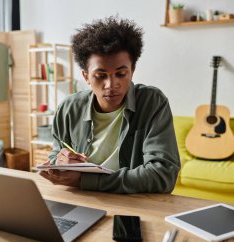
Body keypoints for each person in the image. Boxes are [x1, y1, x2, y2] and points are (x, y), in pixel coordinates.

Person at [39, 16, 180, 193]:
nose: (111, 85)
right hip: (80, 199)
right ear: (86, 77)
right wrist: (59, 161)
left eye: (121, 74)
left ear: (132, 71)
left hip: (132, 205)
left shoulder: (152, 103)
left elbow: (163, 176)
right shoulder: (69, 108)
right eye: (100, 75)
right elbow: (56, 154)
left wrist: (86, 180)